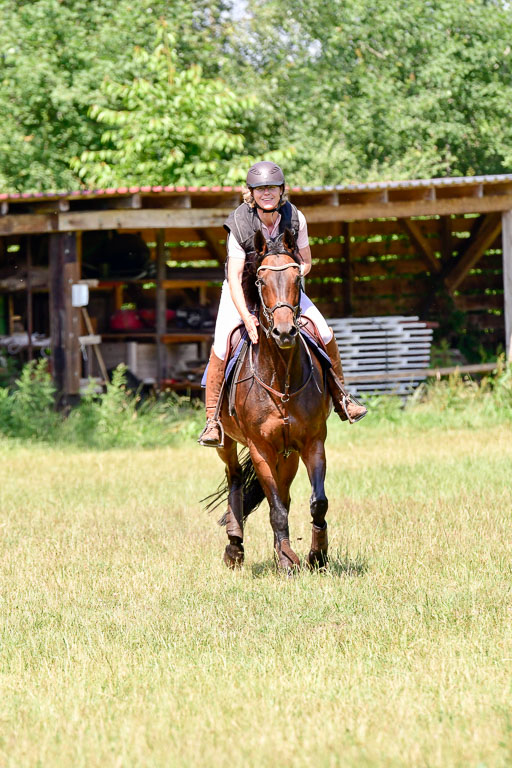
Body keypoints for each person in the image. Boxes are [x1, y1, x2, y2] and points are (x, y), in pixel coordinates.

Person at [198, 161, 367, 447]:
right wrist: (247, 318)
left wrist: (288, 282)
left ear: (281, 191)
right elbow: (235, 275)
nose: (267, 193)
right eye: (261, 189)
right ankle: (213, 421)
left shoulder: (296, 217)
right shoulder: (239, 222)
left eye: (272, 188)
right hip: (242, 290)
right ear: (251, 192)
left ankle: (342, 398)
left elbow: (307, 262)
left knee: (323, 330)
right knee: (222, 342)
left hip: (282, 291)